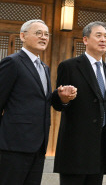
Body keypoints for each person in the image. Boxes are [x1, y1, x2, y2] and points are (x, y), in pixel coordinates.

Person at [52, 21, 106, 185]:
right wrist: (63, 98)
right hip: (76, 147)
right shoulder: (69, 66)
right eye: (98, 35)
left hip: (100, 147)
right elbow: (57, 103)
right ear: (85, 40)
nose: (103, 39)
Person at [0, 20, 76, 185]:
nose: (44, 37)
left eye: (46, 34)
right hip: (13, 145)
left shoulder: (44, 67)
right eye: (38, 33)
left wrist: (60, 96)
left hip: (39, 145)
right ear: (23, 36)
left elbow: (42, 100)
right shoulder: (12, 62)